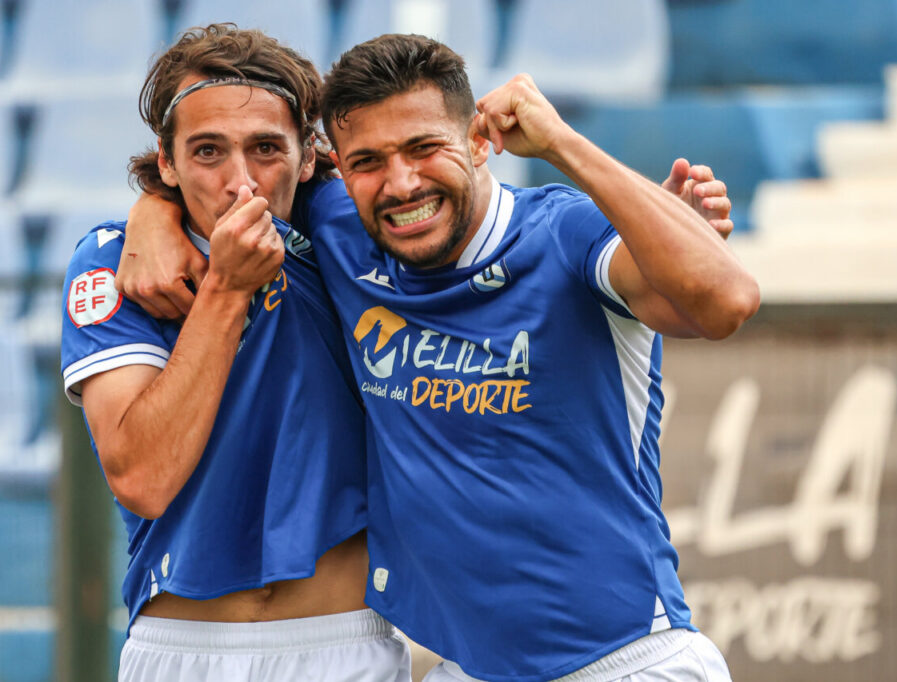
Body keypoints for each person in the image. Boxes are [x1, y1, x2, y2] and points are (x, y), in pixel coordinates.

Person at [119, 34, 756, 682]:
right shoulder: (345, 227)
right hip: (470, 669)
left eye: (424, 147)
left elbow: (725, 300)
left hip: (624, 660)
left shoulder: (562, 233)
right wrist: (152, 217)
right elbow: (231, 180)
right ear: (335, 165)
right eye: (368, 161)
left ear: (478, 140)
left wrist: (565, 146)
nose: (401, 183)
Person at [59, 25, 410, 682]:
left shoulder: (358, 243)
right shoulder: (112, 266)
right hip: (178, 650)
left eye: (266, 149)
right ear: (166, 163)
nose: (240, 183)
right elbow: (143, 479)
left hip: (343, 644)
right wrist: (224, 286)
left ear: (308, 156)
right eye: (208, 151)